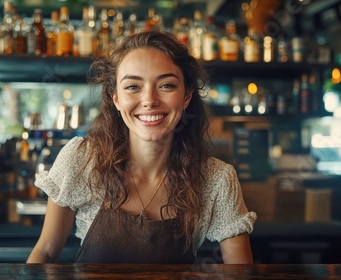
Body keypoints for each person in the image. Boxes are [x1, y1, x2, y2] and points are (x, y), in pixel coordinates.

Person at [27, 30, 256, 264]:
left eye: (166, 85)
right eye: (133, 87)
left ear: (186, 96)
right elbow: (45, 251)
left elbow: (240, 273)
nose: (149, 100)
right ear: (115, 97)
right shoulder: (81, 159)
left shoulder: (216, 179)